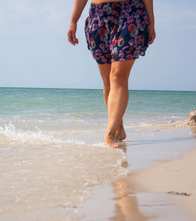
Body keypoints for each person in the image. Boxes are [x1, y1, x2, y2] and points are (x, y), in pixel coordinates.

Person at [67, 0, 156, 148]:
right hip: (99, 15)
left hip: (131, 13)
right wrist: (73, 21)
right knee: (108, 81)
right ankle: (118, 126)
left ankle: (109, 133)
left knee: (118, 76)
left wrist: (152, 23)